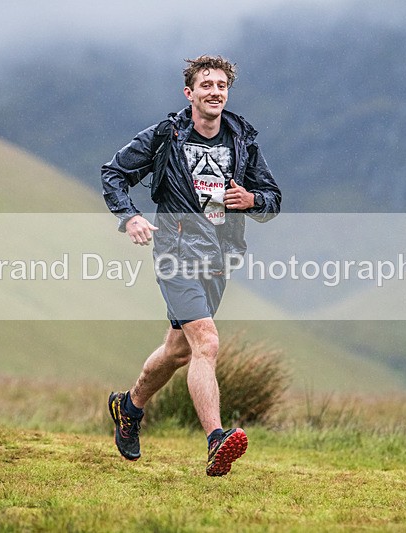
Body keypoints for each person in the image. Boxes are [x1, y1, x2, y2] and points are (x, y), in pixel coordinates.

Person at [101, 54, 281, 476]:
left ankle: (129, 407)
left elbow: (273, 200)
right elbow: (114, 173)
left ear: (227, 92)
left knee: (179, 349)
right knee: (207, 343)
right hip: (176, 252)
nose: (214, 92)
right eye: (206, 85)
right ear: (190, 93)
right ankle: (216, 440)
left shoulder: (243, 141)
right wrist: (130, 217)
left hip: (219, 257)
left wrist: (252, 200)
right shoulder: (166, 136)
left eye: (221, 85)